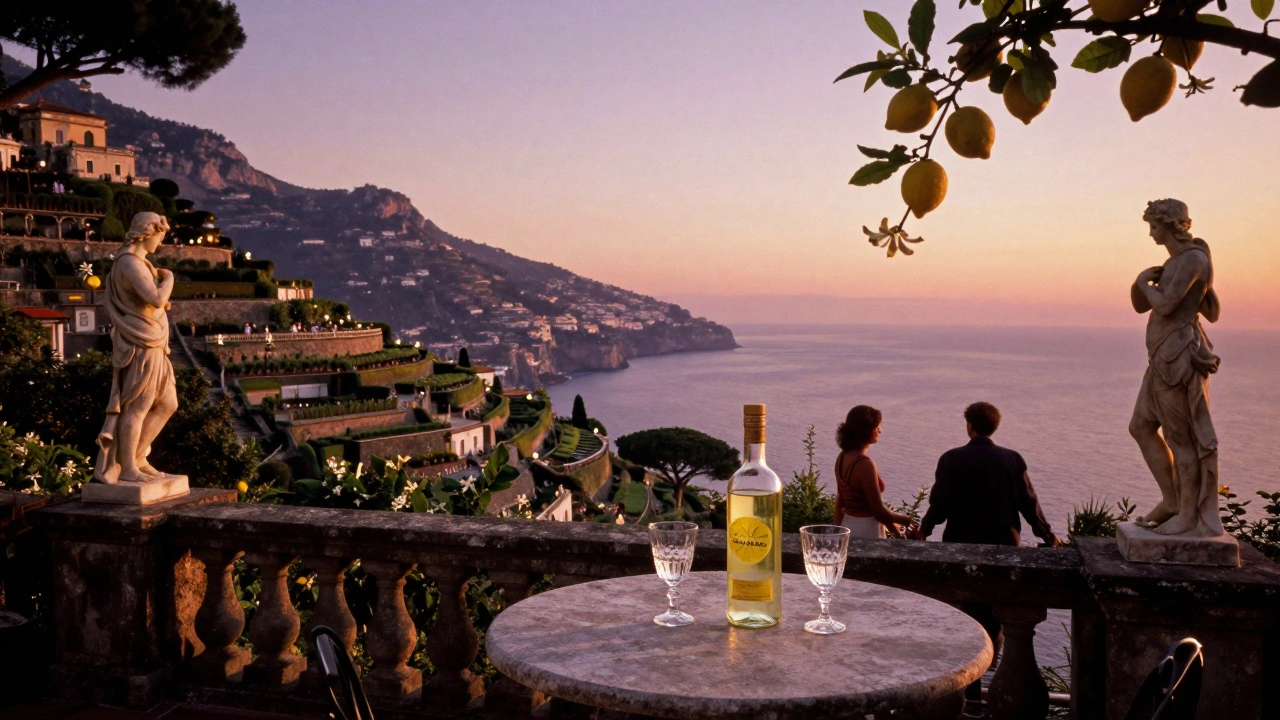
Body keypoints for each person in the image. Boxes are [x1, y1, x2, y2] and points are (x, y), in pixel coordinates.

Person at [916, 401, 1060, 704]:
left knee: (963, 624)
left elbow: (938, 506)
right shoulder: (1012, 460)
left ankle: (967, 698)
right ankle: (978, 699)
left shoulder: (951, 460)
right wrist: (1049, 536)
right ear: (994, 427)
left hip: (960, 551)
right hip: (1003, 552)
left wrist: (924, 530)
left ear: (969, 425)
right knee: (993, 625)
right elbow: (1029, 505)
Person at [832, 405, 917, 539]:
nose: (880, 430)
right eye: (877, 426)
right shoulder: (865, 465)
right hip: (867, 530)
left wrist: (836, 533)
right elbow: (879, 513)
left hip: (848, 525)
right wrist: (905, 520)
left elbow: (840, 503)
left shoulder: (842, 457)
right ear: (865, 431)